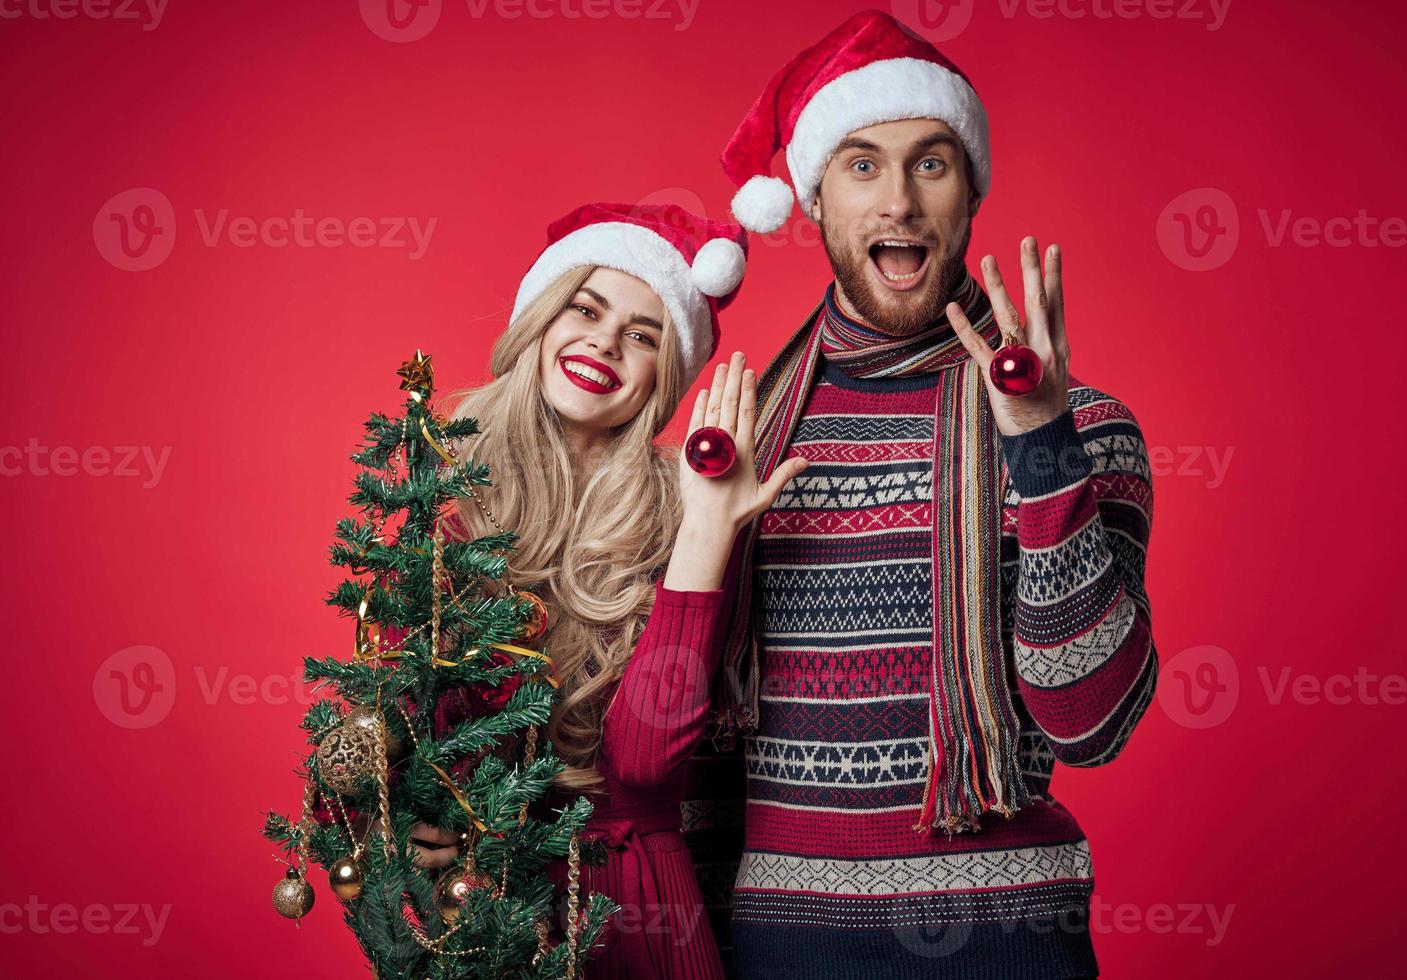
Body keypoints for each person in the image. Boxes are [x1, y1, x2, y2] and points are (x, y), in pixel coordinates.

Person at [690, 11, 1161, 980]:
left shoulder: (1088, 426)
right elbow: (674, 727)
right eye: (861, 165)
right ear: (814, 200)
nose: (898, 201)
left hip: (1010, 944)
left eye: (931, 163)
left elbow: (1093, 720)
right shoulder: (738, 441)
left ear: (972, 189)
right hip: (784, 946)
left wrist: (1040, 446)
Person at [404, 201, 809, 979]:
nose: (604, 341)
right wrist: (421, 820)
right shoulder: (442, 496)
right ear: (541, 321)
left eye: (643, 334)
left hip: (634, 907)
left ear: (665, 377)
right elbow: (398, 725)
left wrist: (705, 531)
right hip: (480, 906)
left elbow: (646, 763)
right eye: (586, 309)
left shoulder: (686, 508)